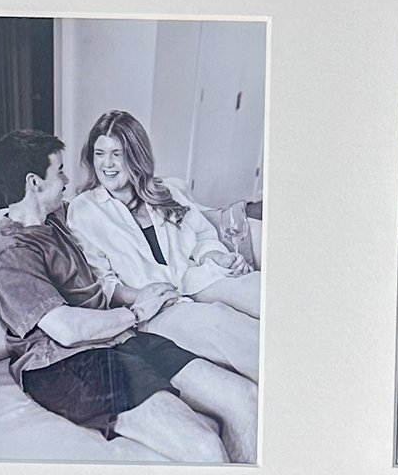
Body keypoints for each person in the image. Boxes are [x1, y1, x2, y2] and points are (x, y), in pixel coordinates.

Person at [0, 129, 258, 463]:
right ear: (34, 182)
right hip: (67, 363)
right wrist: (138, 311)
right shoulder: (11, 252)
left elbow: (116, 207)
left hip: (120, 339)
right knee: (204, 447)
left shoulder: (55, 219)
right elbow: (66, 329)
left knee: (246, 400)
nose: (67, 180)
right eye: (58, 172)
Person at [64, 108, 258, 320]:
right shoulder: (84, 209)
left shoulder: (164, 191)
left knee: (261, 293)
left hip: (196, 279)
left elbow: (202, 236)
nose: (107, 164)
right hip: (158, 306)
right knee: (229, 327)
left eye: (117, 154)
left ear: (136, 156)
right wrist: (142, 295)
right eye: (99, 153)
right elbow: (100, 280)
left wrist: (217, 256)